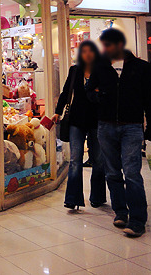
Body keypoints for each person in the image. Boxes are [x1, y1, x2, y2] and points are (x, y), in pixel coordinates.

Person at [86, 28, 151, 237]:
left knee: (132, 172)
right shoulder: (101, 67)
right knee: (112, 172)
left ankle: (137, 219)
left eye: (107, 45)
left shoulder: (141, 67)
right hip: (106, 126)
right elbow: (89, 90)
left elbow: (150, 99)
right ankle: (120, 211)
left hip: (132, 126)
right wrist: (99, 97)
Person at [53, 41, 105, 210]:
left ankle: (97, 196)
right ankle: (72, 198)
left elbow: (109, 94)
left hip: (97, 120)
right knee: (75, 159)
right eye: (84, 51)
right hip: (76, 119)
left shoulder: (101, 71)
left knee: (98, 159)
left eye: (90, 51)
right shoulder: (75, 70)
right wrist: (58, 111)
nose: (87, 54)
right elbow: (66, 91)